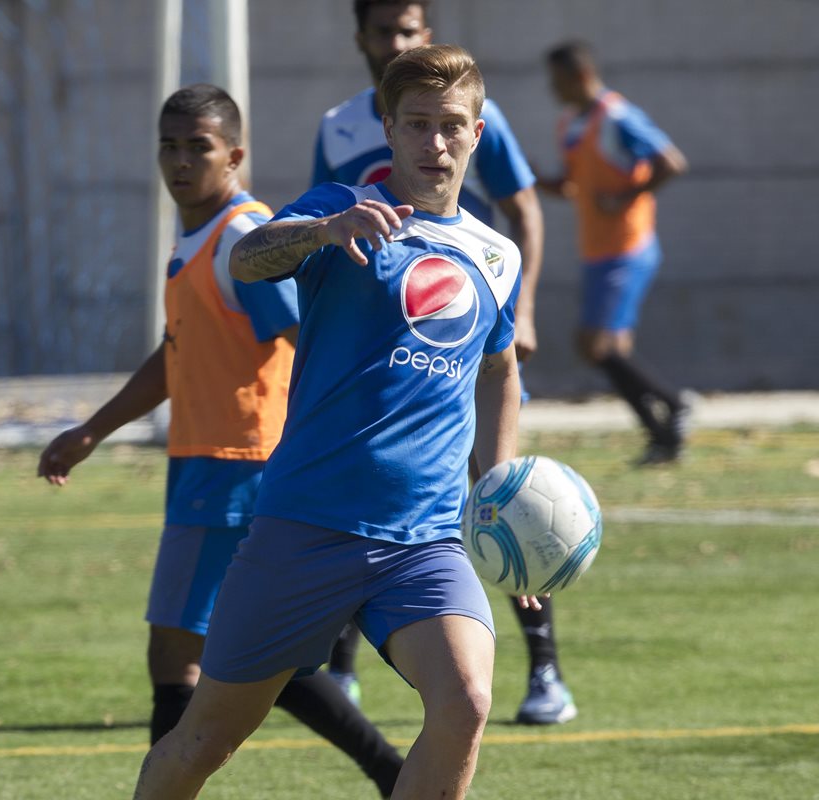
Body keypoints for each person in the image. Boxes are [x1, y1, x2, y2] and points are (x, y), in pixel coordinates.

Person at [130, 45, 533, 800]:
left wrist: (499, 490)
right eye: (416, 124)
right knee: (205, 740)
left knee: (467, 702)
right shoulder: (336, 209)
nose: (434, 143)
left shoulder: (495, 255)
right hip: (304, 528)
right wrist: (320, 232)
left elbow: (501, 369)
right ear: (389, 127)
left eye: (451, 126)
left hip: (424, 542)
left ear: (477, 133)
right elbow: (245, 260)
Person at [37, 84, 403, 797]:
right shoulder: (200, 237)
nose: (179, 160)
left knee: (175, 654)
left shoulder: (242, 236)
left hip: (234, 467)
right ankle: (393, 775)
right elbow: (177, 352)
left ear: (233, 154)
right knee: (269, 659)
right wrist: (92, 431)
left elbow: (310, 336)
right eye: (168, 146)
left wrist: (354, 430)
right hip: (208, 465)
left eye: (197, 146)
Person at [311, 0, 575, 727]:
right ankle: (342, 670)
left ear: (424, 35)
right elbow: (313, 234)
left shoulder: (465, 110)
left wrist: (519, 312)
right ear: (361, 39)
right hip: (371, 350)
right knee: (356, 485)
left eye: (408, 30)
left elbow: (523, 207)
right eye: (383, 31)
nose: (394, 41)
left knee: (502, 494)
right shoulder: (338, 127)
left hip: (460, 329)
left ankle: (545, 665)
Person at [538, 39, 692, 465]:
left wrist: (626, 197)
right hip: (596, 250)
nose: (553, 90)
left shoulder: (618, 116)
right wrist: (531, 180)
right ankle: (663, 436)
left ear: (580, 76)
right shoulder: (570, 125)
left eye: (558, 80)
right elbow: (571, 185)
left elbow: (671, 161)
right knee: (605, 350)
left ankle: (674, 406)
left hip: (628, 245)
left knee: (597, 346)